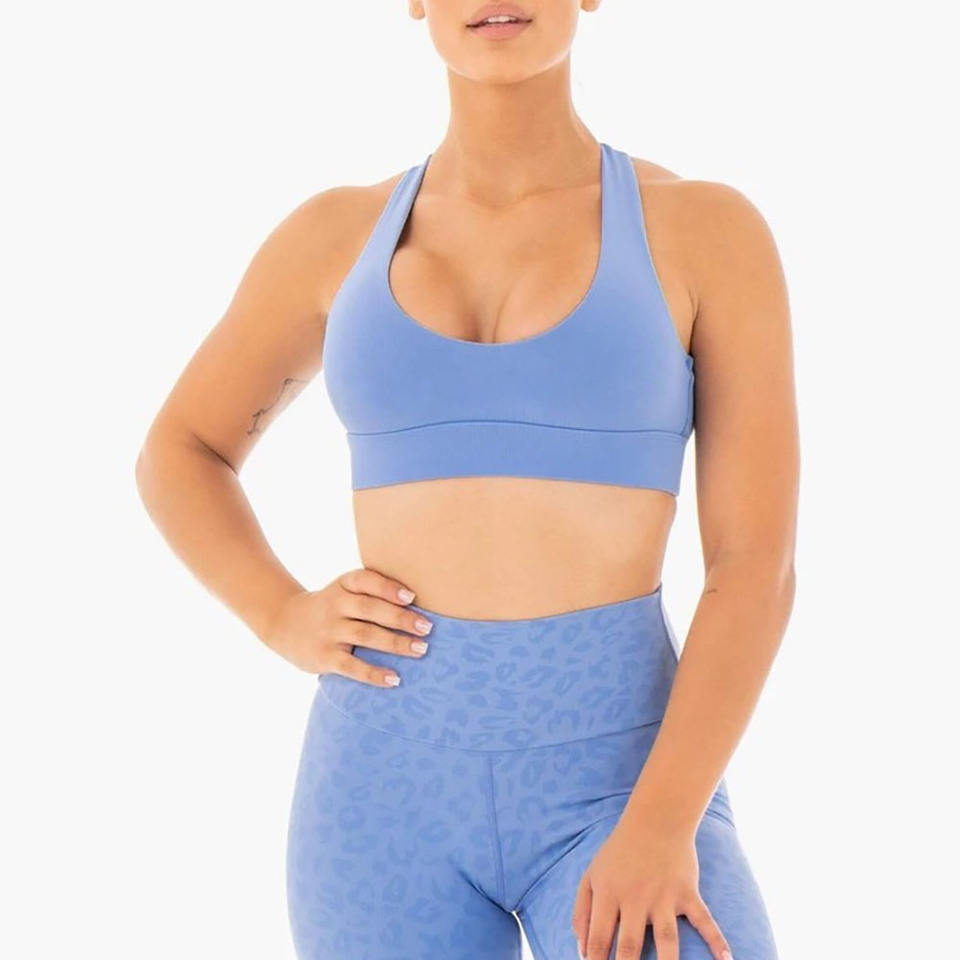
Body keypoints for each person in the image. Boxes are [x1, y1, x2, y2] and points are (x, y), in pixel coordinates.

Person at [135, 2, 799, 958]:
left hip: (624, 775)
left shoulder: (704, 229)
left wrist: (661, 826)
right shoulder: (334, 235)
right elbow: (182, 448)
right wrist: (280, 613)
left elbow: (754, 566)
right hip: (383, 782)